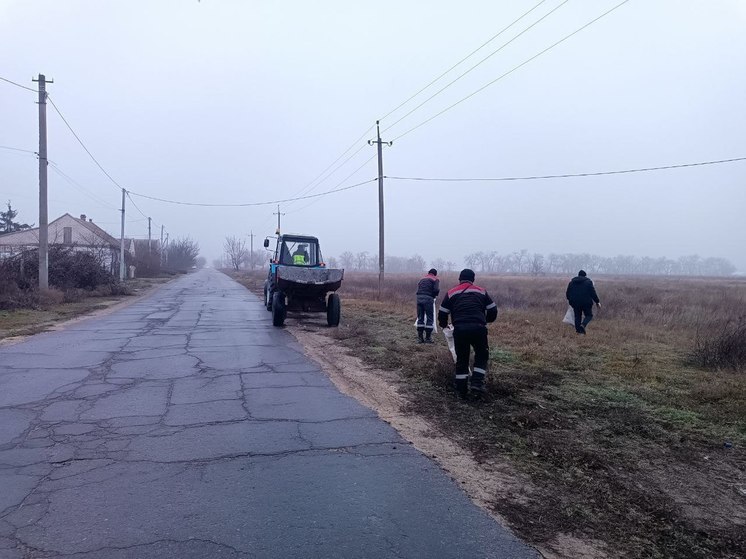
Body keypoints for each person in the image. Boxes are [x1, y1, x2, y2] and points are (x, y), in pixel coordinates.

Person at [438, 269, 497, 397]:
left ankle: (461, 390)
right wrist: (485, 321)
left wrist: (444, 325)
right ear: (473, 279)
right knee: (482, 355)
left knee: (462, 358)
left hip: (460, 329)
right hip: (478, 328)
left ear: (459, 279)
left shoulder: (451, 293)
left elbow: (442, 312)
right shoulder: (481, 291)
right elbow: (493, 310)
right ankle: (477, 382)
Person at [566, 270, 601, 334]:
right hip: (586, 303)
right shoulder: (588, 282)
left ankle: (578, 332)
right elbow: (593, 293)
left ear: (578, 275)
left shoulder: (571, 282)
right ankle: (583, 325)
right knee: (589, 315)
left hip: (575, 303)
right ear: (585, 275)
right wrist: (597, 302)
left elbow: (568, 293)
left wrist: (570, 300)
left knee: (577, 316)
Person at [415, 268, 440, 343]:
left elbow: (419, 287)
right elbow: (436, 290)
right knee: (429, 318)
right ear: (435, 274)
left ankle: (420, 338)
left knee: (420, 317)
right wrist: (434, 296)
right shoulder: (435, 279)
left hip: (419, 298)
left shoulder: (422, 278)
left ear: (428, 273)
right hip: (428, 299)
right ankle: (428, 338)